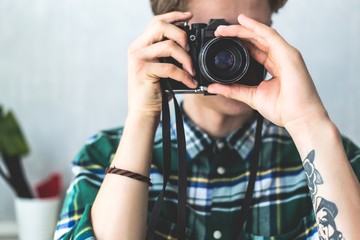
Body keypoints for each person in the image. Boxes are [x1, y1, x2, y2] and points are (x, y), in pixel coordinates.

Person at [55, 0, 360, 239]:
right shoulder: (102, 155)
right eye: (213, 37)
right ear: (170, 39)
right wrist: (142, 116)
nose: (231, 56)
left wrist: (307, 120)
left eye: (247, 37)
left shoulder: (329, 158)